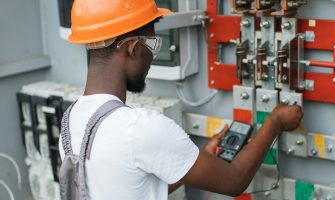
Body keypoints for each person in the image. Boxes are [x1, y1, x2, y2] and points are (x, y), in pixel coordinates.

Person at [59, 0, 303, 199]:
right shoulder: (140, 128)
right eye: (152, 44)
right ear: (133, 49)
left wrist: (185, 163)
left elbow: (131, 190)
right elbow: (234, 180)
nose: (151, 57)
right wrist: (275, 122)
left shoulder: (71, 121)